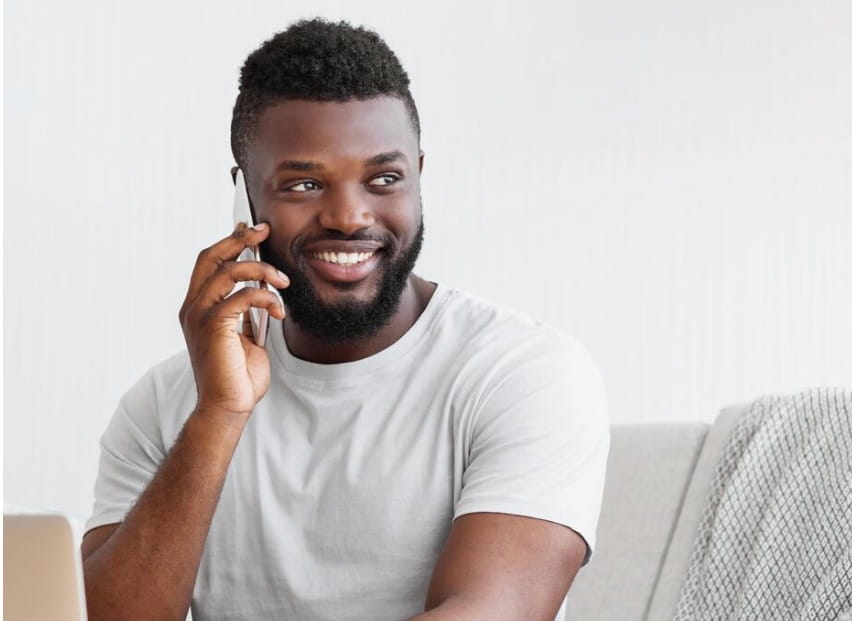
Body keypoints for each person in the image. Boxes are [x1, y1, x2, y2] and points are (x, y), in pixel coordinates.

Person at [81, 17, 610, 621]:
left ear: (418, 177)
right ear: (244, 197)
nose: (348, 216)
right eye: (304, 183)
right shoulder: (164, 405)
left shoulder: (522, 372)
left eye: (384, 179)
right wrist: (217, 415)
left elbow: (491, 611)